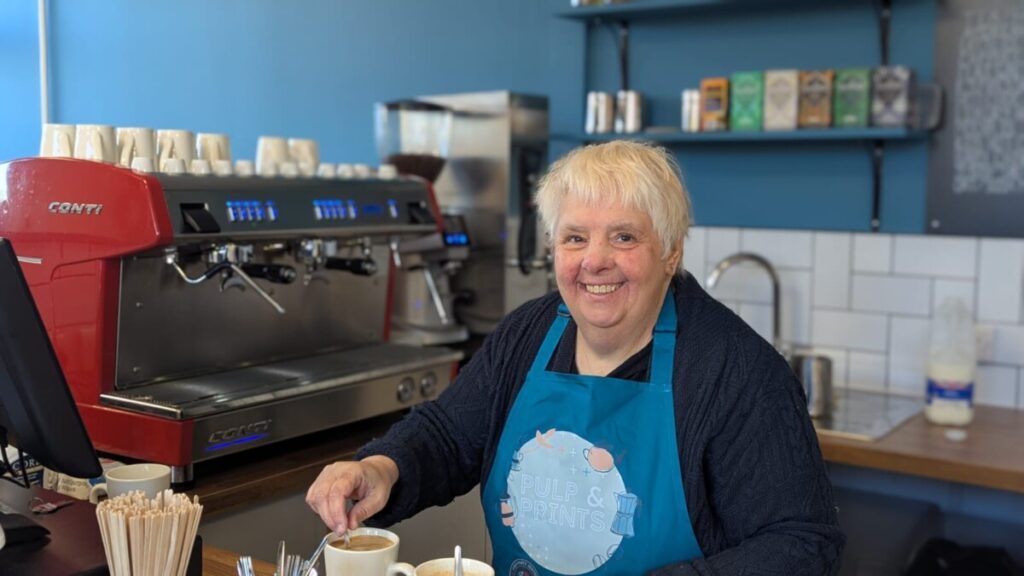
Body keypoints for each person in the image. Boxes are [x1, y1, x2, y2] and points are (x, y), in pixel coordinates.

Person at [306, 141, 844, 575]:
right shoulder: (528, 333)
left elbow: (800, 543)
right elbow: (449, 435)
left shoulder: (737, 371)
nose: (595, 261)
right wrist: (381, 466)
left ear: (672, 251)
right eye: (575, 237)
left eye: (624, 236)